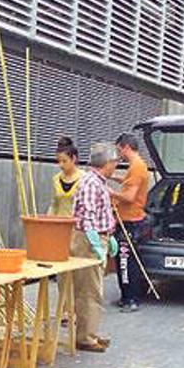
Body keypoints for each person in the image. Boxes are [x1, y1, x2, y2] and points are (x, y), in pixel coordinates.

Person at [71, 142, 120, 353]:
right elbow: (88, 216)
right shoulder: (92, 182)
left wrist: (108, 237)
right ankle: (85, 337)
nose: (116, 167)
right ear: (107, 163)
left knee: (92, 288)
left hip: (98, 237)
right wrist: (95, 241)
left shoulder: (97, 181)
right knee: (90, 290)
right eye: (115, 162)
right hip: (89, 240)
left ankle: (88, 332)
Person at [109, 133, 149, 312]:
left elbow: (129, 196)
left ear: (125, 147)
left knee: (125, 262)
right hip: (131, 221)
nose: (119, 155)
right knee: (129, 261)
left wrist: (110, 192)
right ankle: (130, 297)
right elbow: (129, 183)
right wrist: (114, 177)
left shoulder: (137, 167)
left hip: (129, 222)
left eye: (119, 150)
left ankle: (129, 299)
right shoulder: (138, 166)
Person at [47, 137, 83, 217]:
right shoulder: (56, 179)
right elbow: (54, 205)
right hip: (59, 225)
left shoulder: (84, 178)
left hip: (76, 226)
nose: (61, 165)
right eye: (58, 161)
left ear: (73, 158)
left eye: (64, 161)